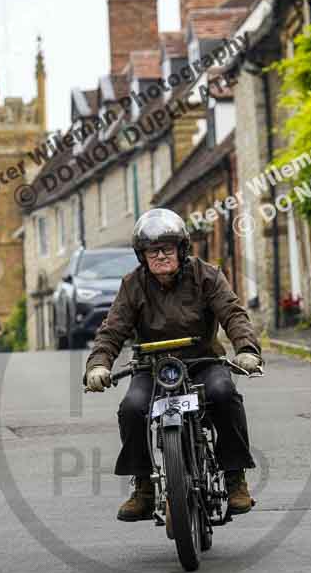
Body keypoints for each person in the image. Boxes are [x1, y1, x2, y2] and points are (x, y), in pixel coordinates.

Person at [84, 208, 262, 522]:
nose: (161, 256)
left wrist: (246, 349)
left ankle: (235, 478)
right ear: (142, 256)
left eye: (167, 248)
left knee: (225, 395)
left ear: (182, 249)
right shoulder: (132, 285)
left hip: (202, 361)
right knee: (131, 408)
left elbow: (233, 314)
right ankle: (143, 488)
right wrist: (98, 364)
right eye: (153, 251)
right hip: (153, 367)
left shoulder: (206, 275)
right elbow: (112, 329)